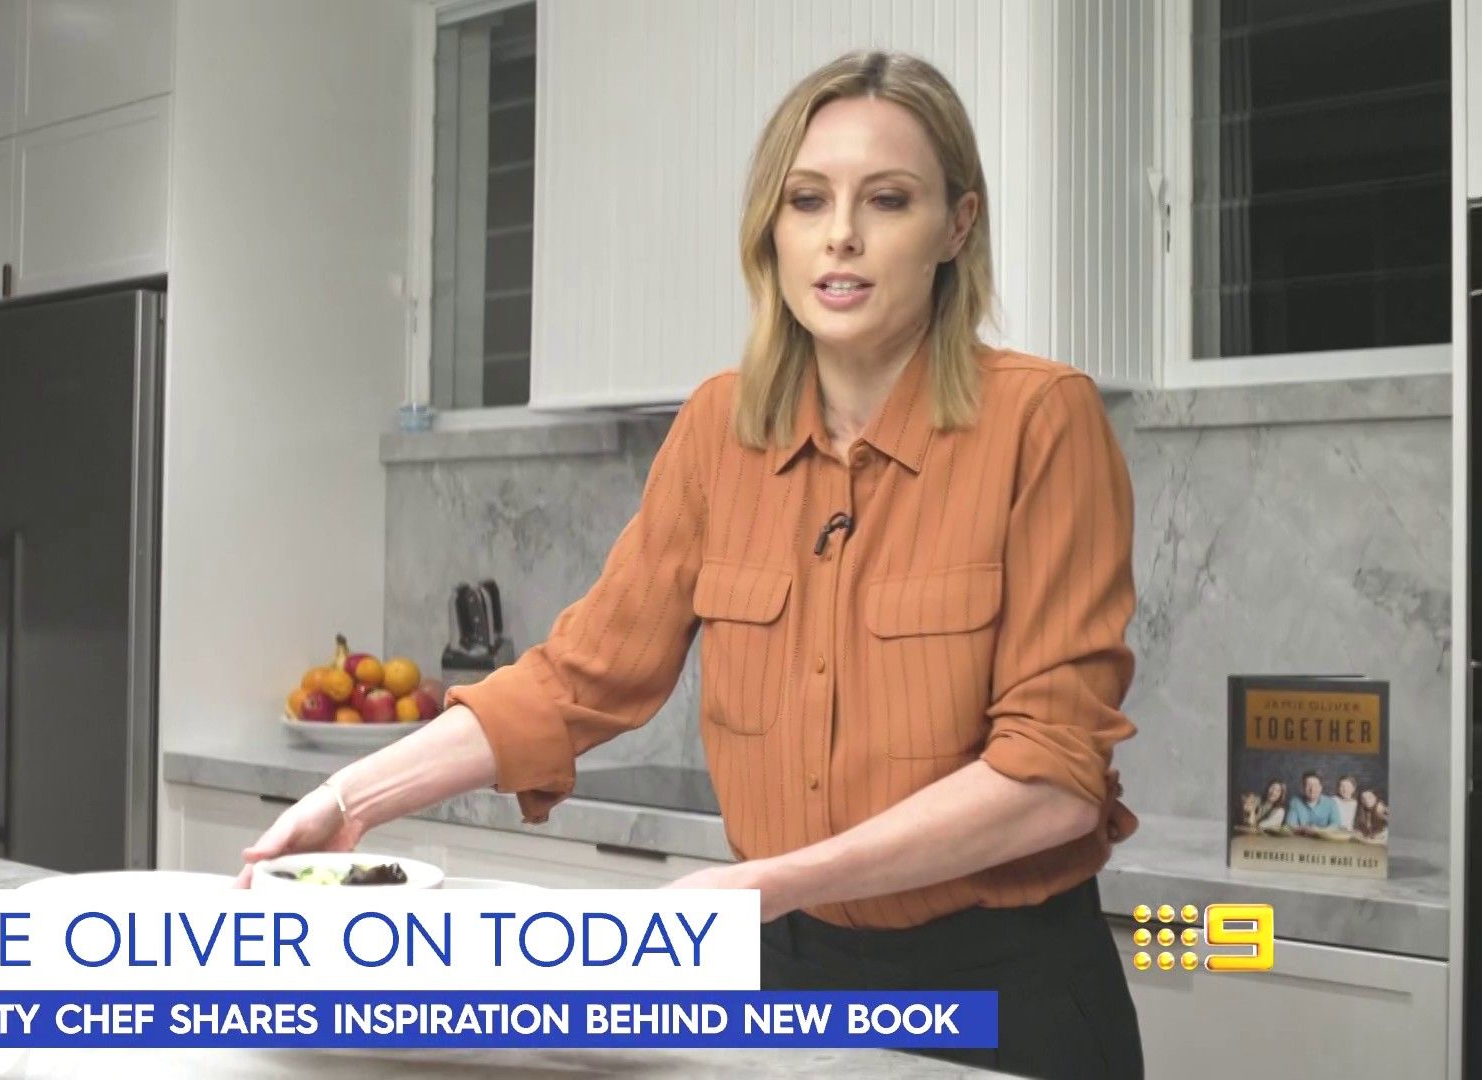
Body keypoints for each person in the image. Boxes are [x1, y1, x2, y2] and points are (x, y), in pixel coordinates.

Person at [236, 49, 1142, 1079]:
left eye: (888, 200)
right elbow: (579, 679)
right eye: (808, 200)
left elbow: (1053, 780)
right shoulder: (720, 429)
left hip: (1002, 993)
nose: (841, 234)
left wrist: (769, 884)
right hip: (785, 975)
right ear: (771, 228)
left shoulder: (1040, 421)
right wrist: (350, 800)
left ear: (957, 226)